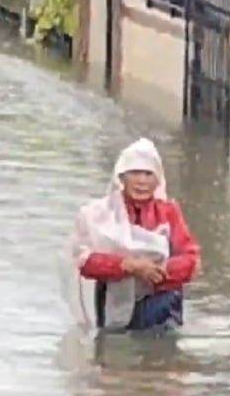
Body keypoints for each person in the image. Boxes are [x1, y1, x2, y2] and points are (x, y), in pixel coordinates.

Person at [68, 138, 200, 333]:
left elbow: (190, 259)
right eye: (135, 173)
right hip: (112, 298)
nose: (142, 181)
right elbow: (83, 261)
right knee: (114, 354)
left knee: (159, 354)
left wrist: (157, 272)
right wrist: (128, 266)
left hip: (160, 299)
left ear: (158, 179)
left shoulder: (169, 212)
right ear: (121, 177)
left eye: (148, 174)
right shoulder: (100, 214)